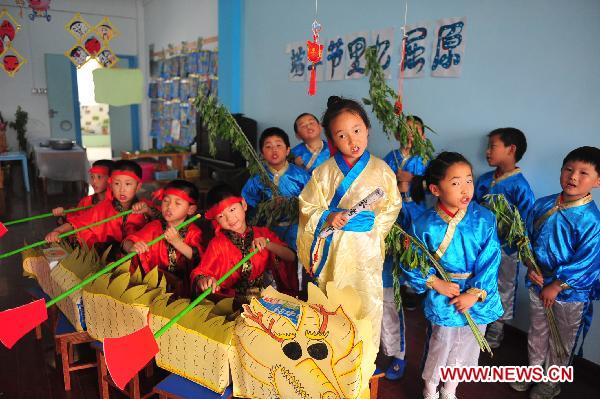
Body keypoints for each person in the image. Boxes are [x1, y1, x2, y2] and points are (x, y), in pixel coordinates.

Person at [297, 95, 402, 348]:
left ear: (367, 129)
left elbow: (392, 205)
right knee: (333, 302)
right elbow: (307, 206)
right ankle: (331, 354)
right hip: (334, 246)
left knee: (366, 303)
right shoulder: (323, 172)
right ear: (332, 139)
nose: (352, 140)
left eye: (356, 130)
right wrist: (329, 216)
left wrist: (374, 228)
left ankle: (364, 359)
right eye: (342, 135)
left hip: (366, 245)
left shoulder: (382, 170)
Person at [402, 152, 503, 399]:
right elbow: (410, 262)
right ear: (436, 189)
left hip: (476, 295)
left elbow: (491, 259)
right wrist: (436, 283)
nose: (465, 189)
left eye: (469, 180)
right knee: (440, 345)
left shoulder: (485, 219)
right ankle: (430, 389)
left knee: (467, 345)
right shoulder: (423, 224)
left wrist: (474, 293)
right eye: (455, 183)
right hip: (444, 294)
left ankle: (450, 390)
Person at [510, 146, 600, 399]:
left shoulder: (592, 220)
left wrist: (557, 284)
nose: (573, 177)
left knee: (562, 339)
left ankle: (552, 381)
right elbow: (526, 238)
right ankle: (533, 372)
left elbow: (589, 261)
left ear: (598, 181)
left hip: (570, 293)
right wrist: (530, 266)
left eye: (584, 173)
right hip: (538, 280)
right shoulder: (542, 204)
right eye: (569, 170)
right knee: (537, 331)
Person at [474, 127, 535, 348]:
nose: (487, 151)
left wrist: (520, 250)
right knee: (479, 280)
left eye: (492, 146)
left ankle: (497, 329)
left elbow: (525, 222)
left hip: (506, 250)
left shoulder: (520, 187)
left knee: (504, 286)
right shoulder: (483, 180)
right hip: (479, 245)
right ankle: (478, 321)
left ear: (511, 149)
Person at [190, 184, 296, 306]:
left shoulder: (263, 233)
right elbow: (200, 272)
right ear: (216, 221)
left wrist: (267, 244)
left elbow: (291, 257)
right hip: (232, 303)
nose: (230, 219)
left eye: (232, 209)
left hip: (266, 298)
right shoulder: (217, 244)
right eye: (220, 216)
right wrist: (204, 280)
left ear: (244, 205)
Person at [45, 160, 149, 256]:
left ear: (138, 186)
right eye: (117, 183)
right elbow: (78, 222)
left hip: (139, 256)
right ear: (111, 184)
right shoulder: (103, 208)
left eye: (128, 184)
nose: (122, 189)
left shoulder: (145, 207)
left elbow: (159, 221)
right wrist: (57, 231)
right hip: (109, 258)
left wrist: (148, 211)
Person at [122, 180, 203, 295]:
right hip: (155, 289)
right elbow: (128, 242)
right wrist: (132, 247)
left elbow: (198, 258)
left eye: (177, 203)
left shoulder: (194, 232)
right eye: (166, 201)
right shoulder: (155, 227)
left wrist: (177, 243)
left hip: (186, 292)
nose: (169, 206)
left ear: (191, 209)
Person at [241, 127, 310, 251]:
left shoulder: (302, 176)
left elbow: (312, 204)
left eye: (279, 145)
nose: (274, 150)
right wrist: (266, 207)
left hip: (296, 232)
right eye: (268, 146)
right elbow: (247, 205)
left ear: (288, 150)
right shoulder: (256, 178)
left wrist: (293, 204)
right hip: (266, 233)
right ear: (262, 153)